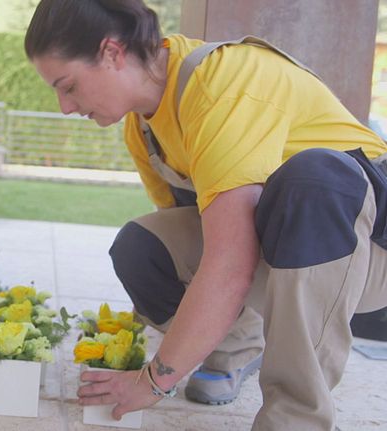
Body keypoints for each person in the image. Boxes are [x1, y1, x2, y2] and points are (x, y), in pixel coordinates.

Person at [24, 0, 387, 429]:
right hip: (288, 257)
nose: (65, 107)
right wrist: (149, 351)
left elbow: (230, 264)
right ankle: (234, 350)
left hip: (365, 255)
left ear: (111, 52)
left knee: (312, 178)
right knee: (143, 248)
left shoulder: (222, 85)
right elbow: (203, 249)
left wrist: (154, 381)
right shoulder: (144, 129)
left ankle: (297, 419)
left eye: (68, 86)